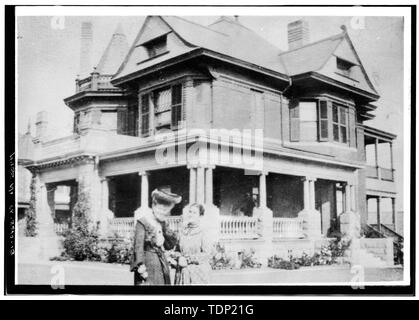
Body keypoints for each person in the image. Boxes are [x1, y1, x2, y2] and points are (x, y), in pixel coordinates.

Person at [130, 186, 181, 285]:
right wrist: (140, 265)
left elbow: (169, 245)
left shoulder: (162, 223)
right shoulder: (143, 222)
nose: (164, 211)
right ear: (154, 205)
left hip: (161, 262)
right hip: (147, 262)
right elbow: (138, 247)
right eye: (162, 207)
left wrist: (165, 229)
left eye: (167, 209)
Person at [174, 203, 212, 285]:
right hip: (182, 273)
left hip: (198, 273)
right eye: (190, 212)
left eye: (194, 213)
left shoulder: (203, 232)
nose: (191, 215)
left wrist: (189, 259)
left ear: (200, 216)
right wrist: (179, 257)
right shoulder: (182, 231)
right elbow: (176, 250)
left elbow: (207, 253)